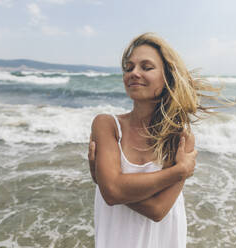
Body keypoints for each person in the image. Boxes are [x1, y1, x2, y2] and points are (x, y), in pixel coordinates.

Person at [88, 32, 220, 248]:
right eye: (129, 68)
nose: (134, 73)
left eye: (146, 67)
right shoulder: (107, 125)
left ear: (167, 75)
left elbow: (158, 209)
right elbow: (112, 193)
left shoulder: (179, 138)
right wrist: (178, 171)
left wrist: (107, 182)